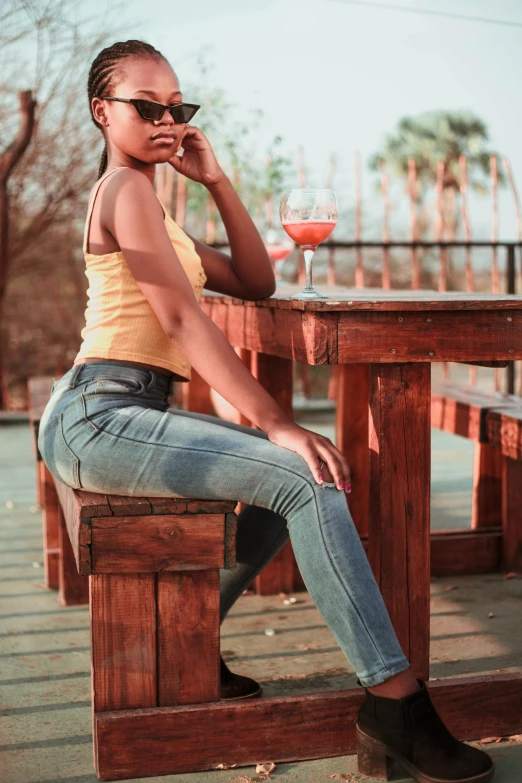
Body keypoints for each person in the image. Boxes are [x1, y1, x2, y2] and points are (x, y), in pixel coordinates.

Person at [37, 39, 494, 783]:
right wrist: (275, 422)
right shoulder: (122, 193)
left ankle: (189, 646)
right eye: (145, 107)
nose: (165, 120)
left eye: (177, 108)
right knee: (304, 472)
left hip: (123, 409)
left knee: (293, 484)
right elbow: (184, 321)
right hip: (100, 413)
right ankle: (394, 700)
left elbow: (253, 280)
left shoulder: (154, 206)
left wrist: (216, 180)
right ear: (102, 112)